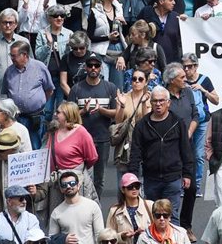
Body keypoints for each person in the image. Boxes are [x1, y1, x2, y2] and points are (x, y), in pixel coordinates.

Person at [129, 87, 195, 223]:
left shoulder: (178, 123)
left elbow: (186, 150)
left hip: (173, 178)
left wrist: (187, 174)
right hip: (151, 179)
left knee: (172, 216)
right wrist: (133, 177)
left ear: (168, 103)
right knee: (153, 216)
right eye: (155, 101)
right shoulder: (142, 125)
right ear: (150, 103)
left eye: (161, 101)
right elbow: (135, 152)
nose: (158, 104)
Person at [69, 54, 119, 197]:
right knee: (80, 175)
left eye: (96, 65)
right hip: (80, 140)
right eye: (90, 65)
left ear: (100, 68)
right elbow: (69, 116)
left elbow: (116, 113)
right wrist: (83, 111)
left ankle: (95, 205)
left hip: (102, 138)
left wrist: (102, 110)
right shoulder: (76, 89)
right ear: (85, 67)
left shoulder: (110, 87)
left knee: (99, 178)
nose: (93, 68)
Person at [47, 169, 104, 244]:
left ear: (78, 186)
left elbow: (100, 235)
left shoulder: (92, 206)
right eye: (64, 185)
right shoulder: (56, 212)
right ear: (61, 189)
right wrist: (63, 240)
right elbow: (51, 239)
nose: (68, 186)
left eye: (72, 183)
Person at [106, 173, 154, 244]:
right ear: (123, 190)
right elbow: (108, 237)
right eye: (130, 187)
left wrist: (147, 232)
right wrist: (122, 236)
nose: (134, 189)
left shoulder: (150, 205)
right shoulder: (114, 211)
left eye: (137, 186)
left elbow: (161, 230)